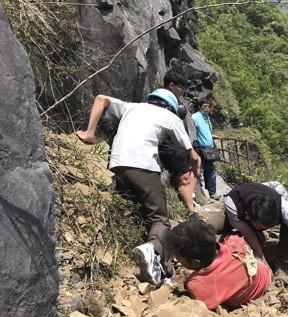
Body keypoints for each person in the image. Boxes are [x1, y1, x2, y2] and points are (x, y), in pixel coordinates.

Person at [76, 71, 201, 286]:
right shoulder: (170, 116)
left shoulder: (132, 107)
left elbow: (101, 99)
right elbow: (193, 156)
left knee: (142, 207)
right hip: (142, 166)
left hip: (116, 164)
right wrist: (194, 174)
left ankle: (154, 256)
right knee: (160, 218)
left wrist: (89, 133)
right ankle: (152, 252)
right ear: (170, 105)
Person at [224, 183, 288, 291]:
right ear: (249, 217)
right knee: (222, 231)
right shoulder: (233, 204)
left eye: (269, 225)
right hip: (239, 216)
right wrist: (263, 262)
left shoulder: (284, 208)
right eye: (262, 225)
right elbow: (248, 234)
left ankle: (282, 264)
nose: (267, 227)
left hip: (264, 211)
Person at [170, 220, 272, 310]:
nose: (176, 260)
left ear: (196, 262)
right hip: (265, 274)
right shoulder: (234, 241)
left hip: (261, 291)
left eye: (179, 258)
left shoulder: (198, 284)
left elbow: (204, 305)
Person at [192, 98, 219, 200]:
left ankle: (211, 193)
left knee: (209, 170)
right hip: (200, 148)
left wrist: (213, 136)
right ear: (200, 106)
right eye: (205, 106)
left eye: (208, 106)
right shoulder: (195, 117)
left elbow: (206, 132)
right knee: (202, 170)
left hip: (209, 148)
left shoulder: (207, 117)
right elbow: (192, 133)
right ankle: (201, 195)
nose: (207, 108)